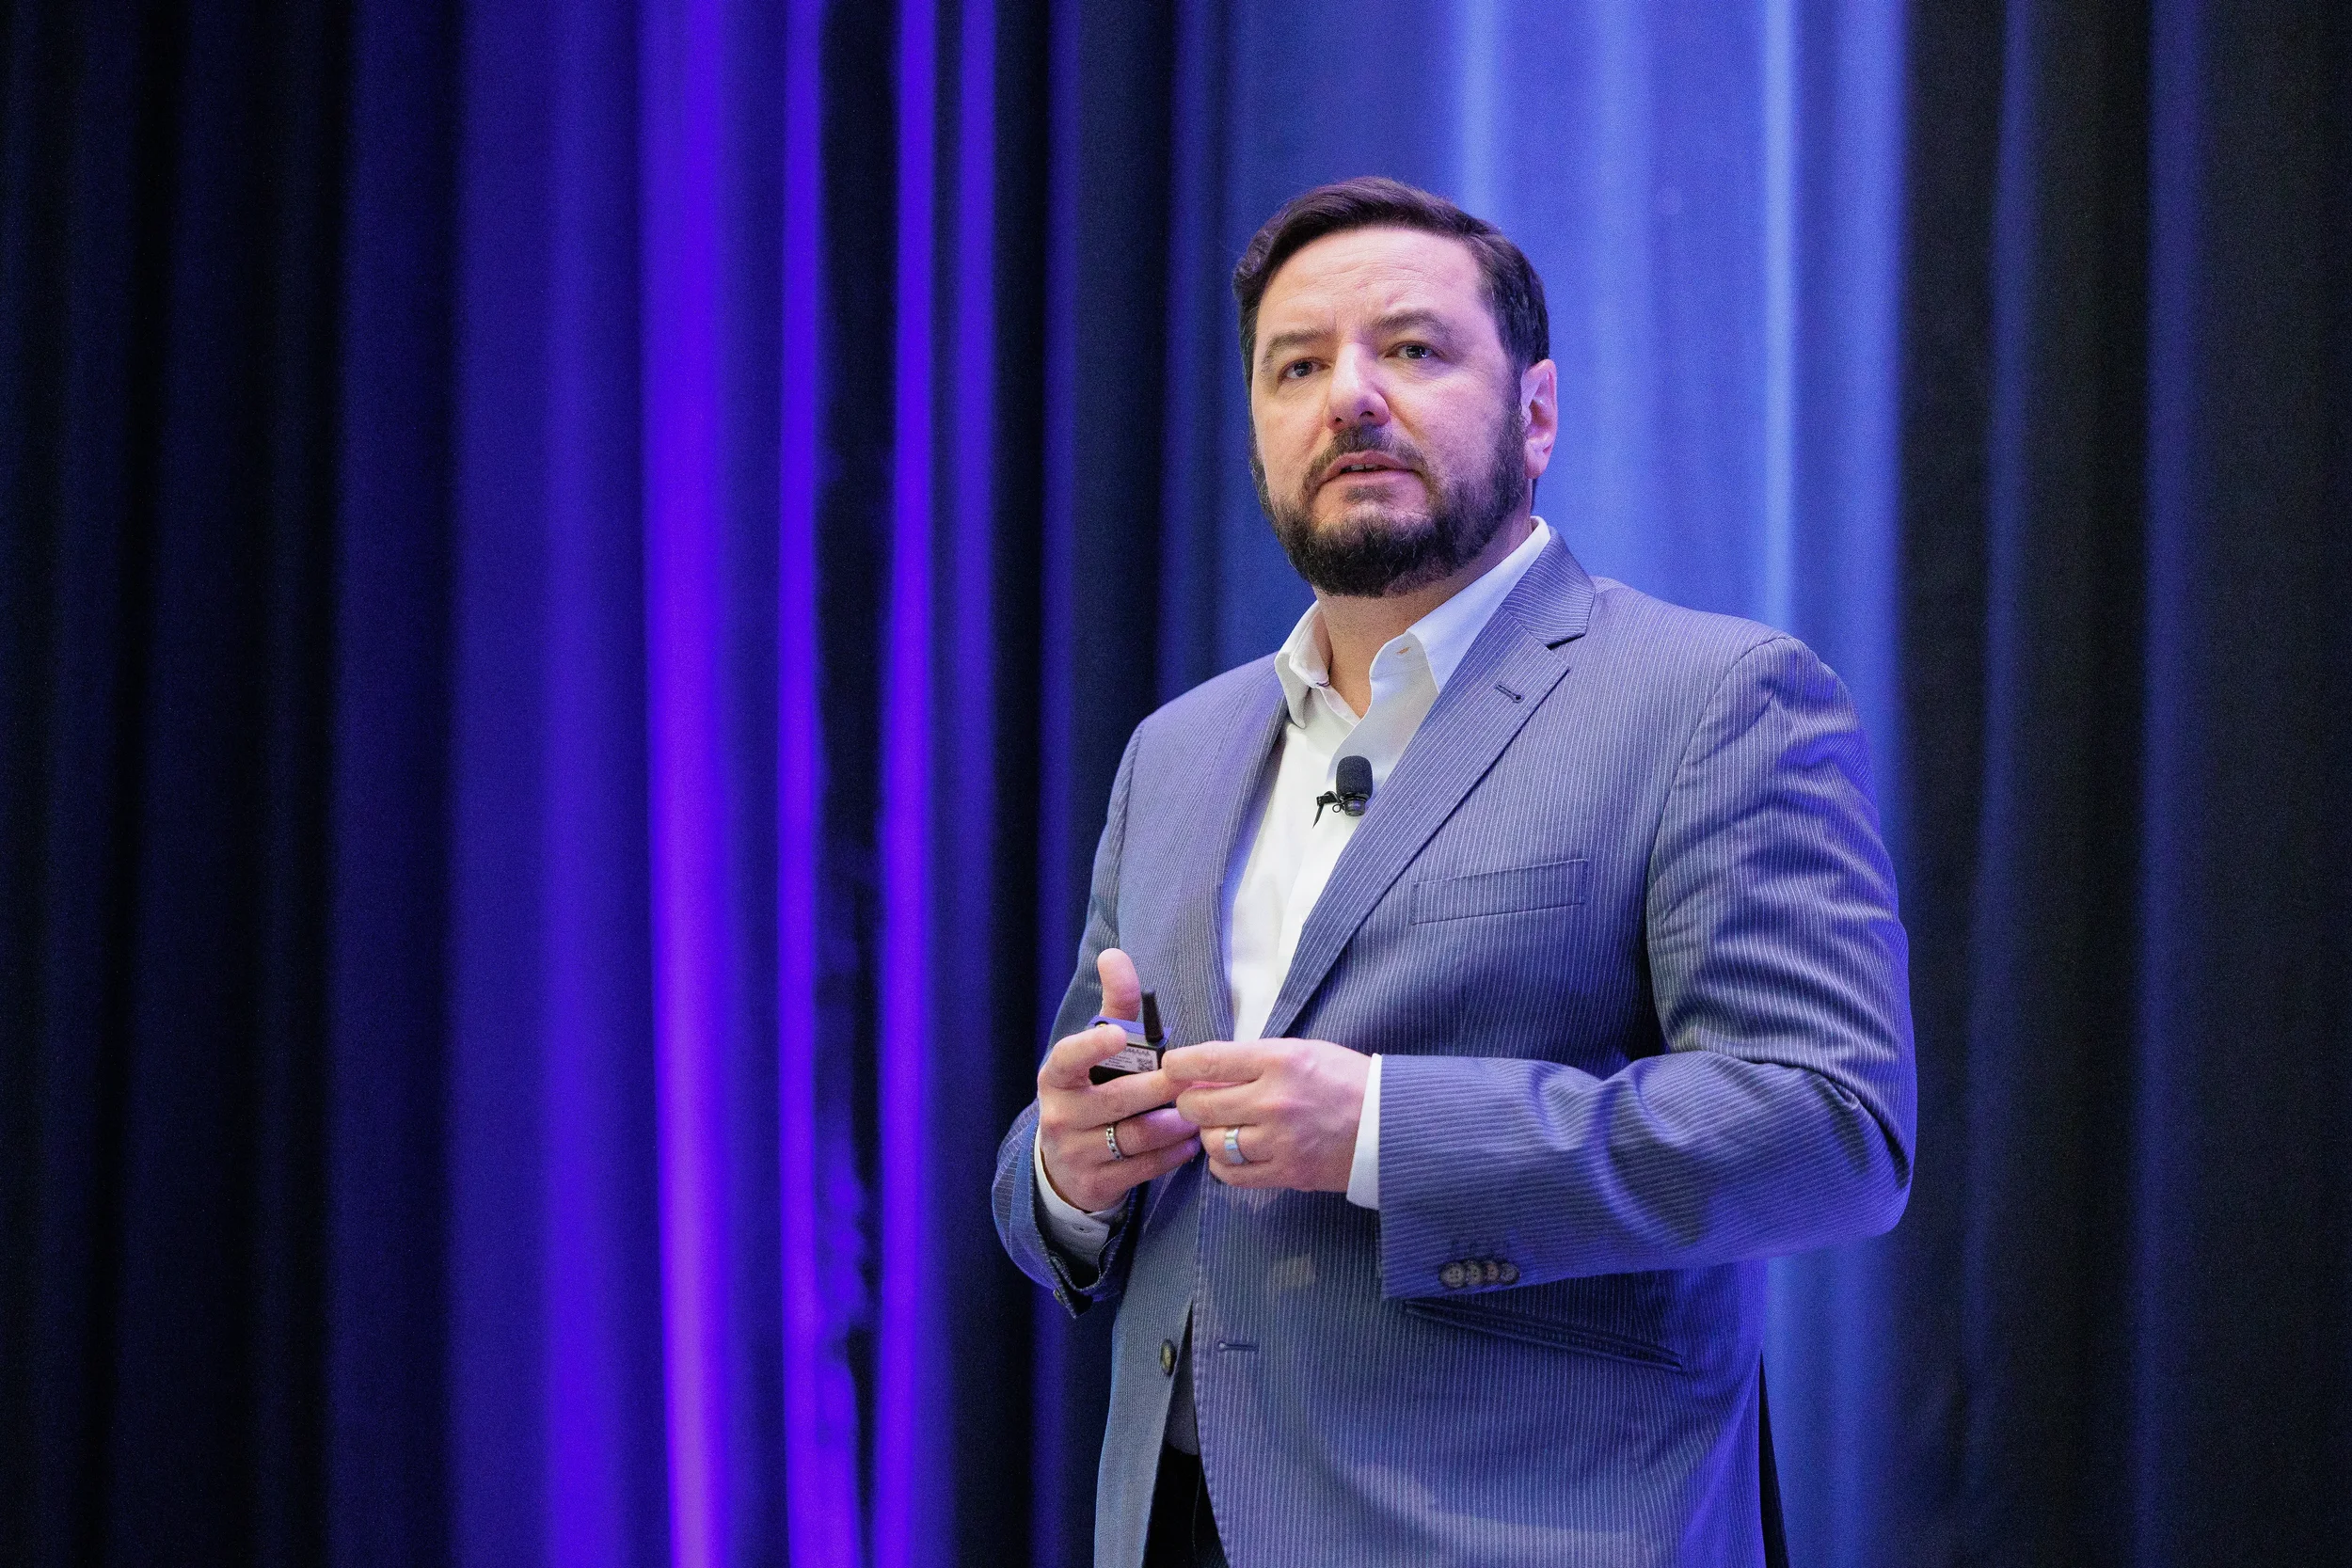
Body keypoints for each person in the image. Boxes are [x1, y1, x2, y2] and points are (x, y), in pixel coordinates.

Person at [991, 177, 1914, 1568]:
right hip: (1181, 1519)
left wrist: (1380, 1129)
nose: (1349, 397)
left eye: (1411, 350)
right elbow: (1067, 1135)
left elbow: (1831, 1130)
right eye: (1295, 366)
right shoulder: (1176, 750)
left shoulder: (1713, 700)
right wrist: (1068, 1166)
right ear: (1256, 429)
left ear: (1538, 411)